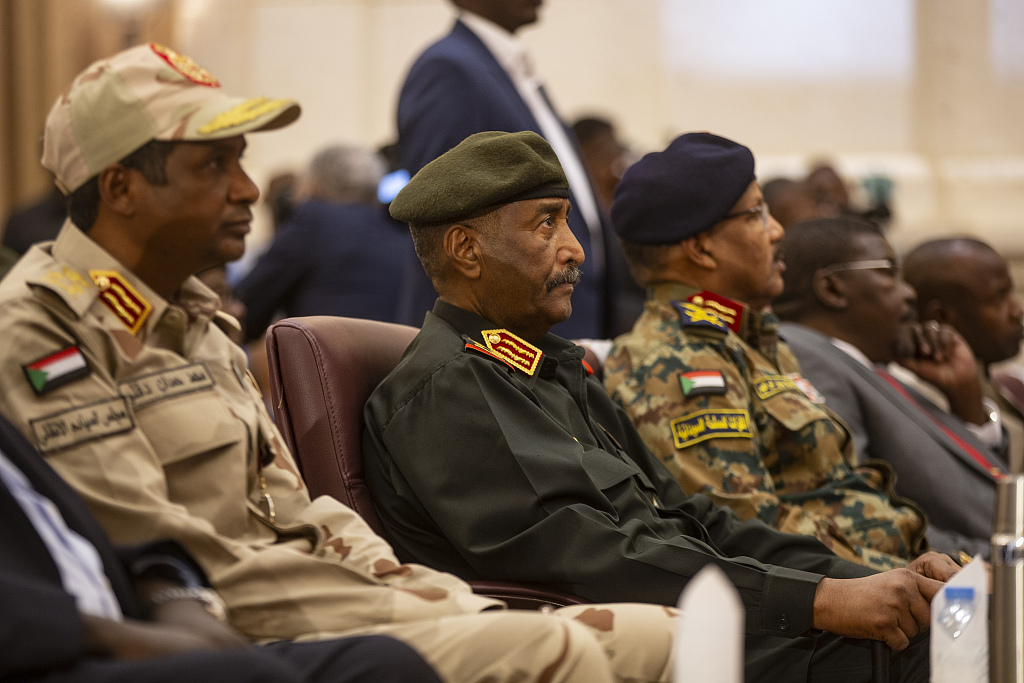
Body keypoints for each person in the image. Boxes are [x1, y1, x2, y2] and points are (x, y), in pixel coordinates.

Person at [0, 44, 678, 683]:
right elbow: (159, 550)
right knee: (560, 650)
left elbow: (294, 508)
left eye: (241, 161)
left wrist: (402, 585)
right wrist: (390, 606)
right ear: (120, 187)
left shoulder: (193, 320)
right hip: (237, 636)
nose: (248, 189)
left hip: (339, 599)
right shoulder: (41, 329)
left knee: (668, 637)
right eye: (214, 166)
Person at [363, 129, 961, 682]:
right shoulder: (454, 387)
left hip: (694, 609)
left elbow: (696, 517)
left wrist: (879, 582)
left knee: (947, 620)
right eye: (546, 225)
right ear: (467, 250)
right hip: (618, 639)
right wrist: (820, 601)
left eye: (568, 223)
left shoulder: (545, 368)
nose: (574, 250)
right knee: (931, 647)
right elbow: (592, 562)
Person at [603, 133, 925, 571]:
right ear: (700, 247)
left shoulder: (748, 338)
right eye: (756, 215)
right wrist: (907, 579)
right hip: (846, 606)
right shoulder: (674, 359)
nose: (777, 232)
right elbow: (748, 531)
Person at [0, 409, 440, 683]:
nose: (236, 308)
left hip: (145, 615)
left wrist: (173, 595)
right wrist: (107, 635)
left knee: (383, 663)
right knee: (244, 674)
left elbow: (86, 545)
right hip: (48, 652)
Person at [396, 0, 635, 338]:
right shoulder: (448, 69)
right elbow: (441, 218)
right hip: (499, 346)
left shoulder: (507, 69)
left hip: (563, 324)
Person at [772, 218, 1005, 559]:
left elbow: (979, 487)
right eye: (888, 272)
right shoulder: (808, 356)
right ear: (832, 289)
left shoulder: (865, 362)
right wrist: (995, 560)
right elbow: (857, 511)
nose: (909, 292)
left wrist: (966, 401)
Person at [236, 144, 415, 341]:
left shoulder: (314, 219)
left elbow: (246, 310)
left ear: (313, 189)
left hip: (334, 366)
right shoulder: (404, 234)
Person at [902, 237, 1024, 473]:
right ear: (942, 317)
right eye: (999, 297)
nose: (1017, 310)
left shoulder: (1007, 385)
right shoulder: (924, 403)